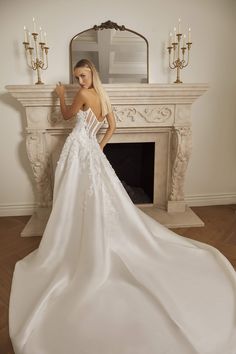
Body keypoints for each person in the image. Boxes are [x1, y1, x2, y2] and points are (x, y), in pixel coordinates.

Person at [9, 59, 236, 354]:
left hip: (79, 149)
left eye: (83, 75)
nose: (80, 81)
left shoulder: (80, 96)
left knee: (77, 193)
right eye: (77, 77)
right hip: (90, 148)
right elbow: (113, 126)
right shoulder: (103, 97)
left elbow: (65, 117)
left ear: (92, 73)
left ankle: (76, 237)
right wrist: (99, 146)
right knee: (95, 195)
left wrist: (60, 95)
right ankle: (87, 231)